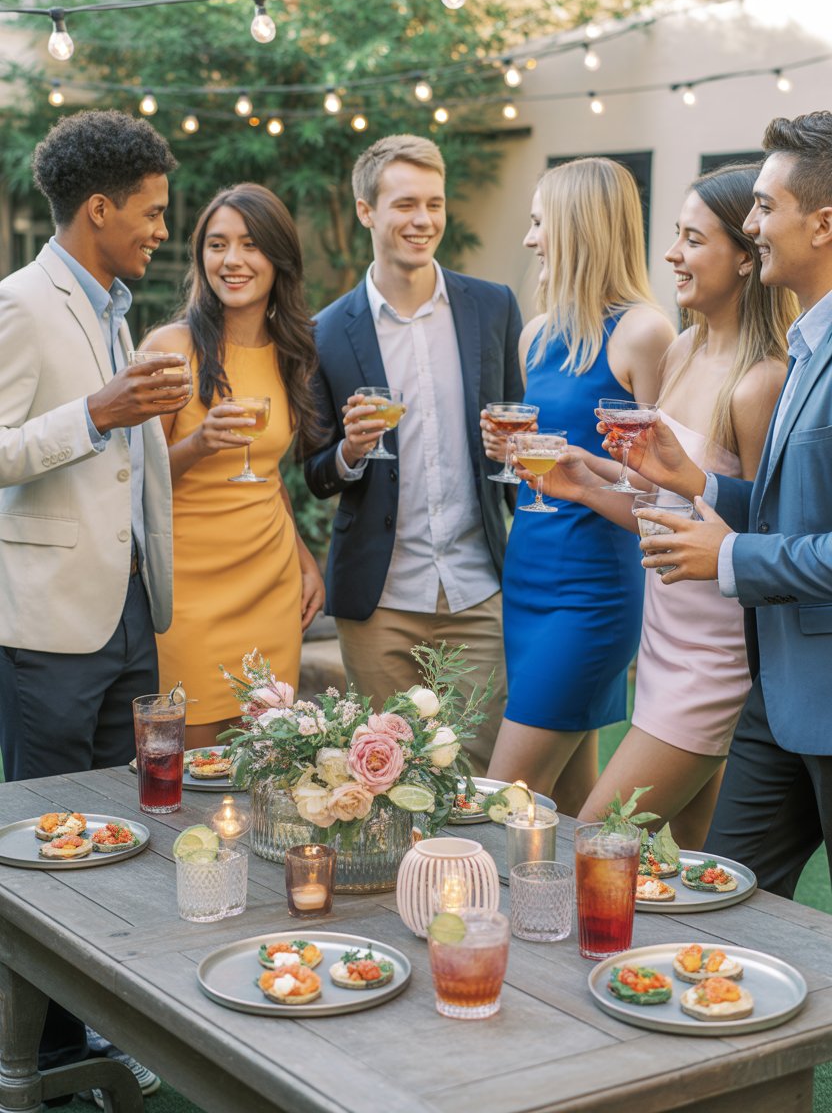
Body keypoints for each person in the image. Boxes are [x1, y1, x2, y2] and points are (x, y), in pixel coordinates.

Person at [523, 165, 796, 846]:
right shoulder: (682, 351)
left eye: (692, 240)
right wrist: (589, 484)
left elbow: (763, 533)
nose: (671, 254)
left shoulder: (761, 382)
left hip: (715, 658)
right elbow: (664, 511)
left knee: (595, 843)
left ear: (744, 256)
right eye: (675, 235)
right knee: (695, 865)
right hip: (661, 639)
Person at [0, 109, 187, 1098]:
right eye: (151, 212)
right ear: (100, 209)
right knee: (47, 837)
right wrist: (96, 412)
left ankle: (99, 1027)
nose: (162, 228)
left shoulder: (114, 306)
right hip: (48, 620)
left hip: (126, 611)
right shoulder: (21, 304)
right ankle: (36, 1052)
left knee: (121, 823)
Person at [619, 111, 832, 896]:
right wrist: (698, 483)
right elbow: (786, 511)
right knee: (724, 895)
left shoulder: (781, 365)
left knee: (617, 850)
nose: (753, 225)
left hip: (801, 686)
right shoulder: (807, 346)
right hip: (777, 694)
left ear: (823, 224)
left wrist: (730, 555)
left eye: (766, 209)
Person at [303, 134, 523, 774]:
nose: (423, 220)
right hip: (380, 603)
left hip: (478, 594)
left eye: (434, 203)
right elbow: (314, 471)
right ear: (366, 211)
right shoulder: (324, 333)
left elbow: (513, 440)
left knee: (477, 777)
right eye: (404, 204)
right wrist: (349, 450)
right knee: (386, 778)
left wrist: (515, 457)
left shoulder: (493, 306)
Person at [482, 158, 675, 815]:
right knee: (563, 807)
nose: (530, 238)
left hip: (591, 593)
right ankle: (584, 886)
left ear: (578, 227)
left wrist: (584, 469)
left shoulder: (646, 332)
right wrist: (511, 451)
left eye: (540, 222)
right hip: (527, 574)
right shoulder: (536, 336)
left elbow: (665, 485)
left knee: (504, 797)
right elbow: (542, 460)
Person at [141, 183, 325, 748]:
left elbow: (267, 474)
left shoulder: (293, 352)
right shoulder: (170, 348)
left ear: (279, 258)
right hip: (187, 594)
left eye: (250, 244)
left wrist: (305, 562)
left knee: (263, 766)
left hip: (269, 587)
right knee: (186, 767)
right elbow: (134, 482)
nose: (232, 260)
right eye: (217, 245)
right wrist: (199, 443)